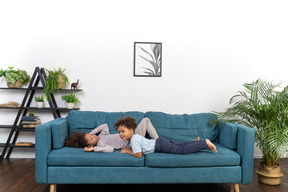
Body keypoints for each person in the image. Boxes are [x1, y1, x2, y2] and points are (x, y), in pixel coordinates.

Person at [114, 116, 217, 158]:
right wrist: (128, 148)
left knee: (182, 150)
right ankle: (195, 142)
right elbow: (138, 146)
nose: (121, 134)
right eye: (119, 132)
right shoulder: (134, 138)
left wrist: (127, 151)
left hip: (160, 146)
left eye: (123, 131)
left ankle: (204, 143)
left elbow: (139, 155)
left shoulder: (134, 139)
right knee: (180, 145)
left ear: (131, 130)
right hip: (160, 141)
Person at [64, 117, 159, 153]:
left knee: (146, 120)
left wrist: (92, 132)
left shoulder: (101, 135)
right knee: (145, 121)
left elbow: (104, 126)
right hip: (133, 142)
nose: (93, 136)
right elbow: (111, 149)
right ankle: (157, 142)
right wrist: (94, 149)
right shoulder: (100, 144)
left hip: (134, 135)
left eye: (91, 135)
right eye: (91, 138)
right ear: (90, 145)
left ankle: (157, 140)